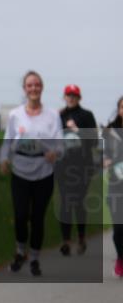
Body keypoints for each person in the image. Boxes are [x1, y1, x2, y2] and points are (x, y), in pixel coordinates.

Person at [0, 70, 64, 276]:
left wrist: (56, 152)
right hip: (20, 171)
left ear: (41, 88)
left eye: (37, 85)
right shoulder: (15, 115)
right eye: (29, 85)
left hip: (44, 172)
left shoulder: (52, 115)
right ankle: (20, 253)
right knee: (20, 215)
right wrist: (3, 158)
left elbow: (61, 142)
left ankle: (34, 259)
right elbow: (8, 139)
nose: (33, 88)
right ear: (25, 89)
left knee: (37, 218)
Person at [56, 84, 98, 256]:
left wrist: (77, 130)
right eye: (68, 95)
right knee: (65, 202)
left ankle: (81, 237)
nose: (71, 98)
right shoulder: (59, 115)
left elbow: (94, 141)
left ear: (79, 97)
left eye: (74, 95)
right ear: (64, 97)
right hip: (63, 166)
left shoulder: (87, 115)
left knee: (78, 203)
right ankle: (66, 241)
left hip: (82, 166)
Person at [104, 96, 123, 278]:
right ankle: (120, 258)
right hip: (116, 186)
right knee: (119, 230)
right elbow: (103, 154)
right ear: (119, 110)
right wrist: (105, 160)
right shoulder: (110, 132)